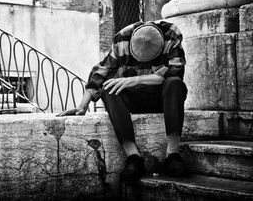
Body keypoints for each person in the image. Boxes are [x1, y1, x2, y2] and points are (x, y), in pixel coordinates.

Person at [58, 20, 188, 181]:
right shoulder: (122, 39)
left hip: (161, 98)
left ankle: (173, 154)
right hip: (135, 99)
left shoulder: (172, 33)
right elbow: (101, 72)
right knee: (109, 89)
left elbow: (175, 71)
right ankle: (133, 157)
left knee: (175, 83)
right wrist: (82, 106)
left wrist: (135, 80)